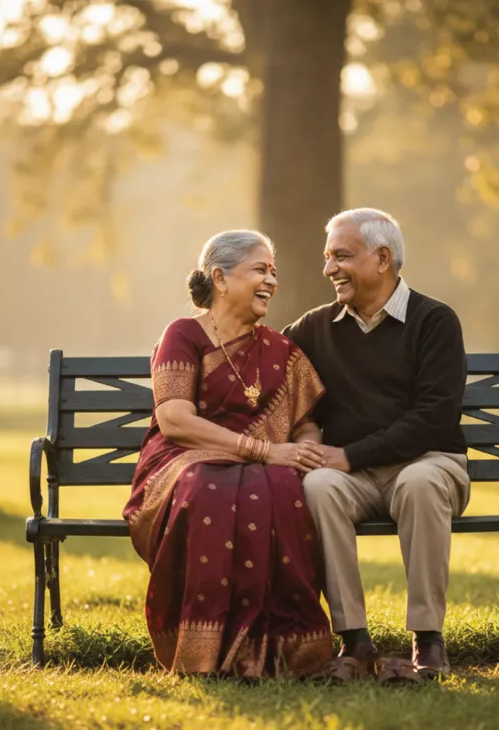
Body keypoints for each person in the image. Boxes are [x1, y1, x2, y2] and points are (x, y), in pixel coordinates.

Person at [123, 230, 334, 678]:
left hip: (261, 464)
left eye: (273, 272)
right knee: (209, 489)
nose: (271, 281)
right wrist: (263, 450)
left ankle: (288, 650)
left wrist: (307, 448)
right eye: (260, 269)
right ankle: (203, 649)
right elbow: (175, 420)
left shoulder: (282, 350)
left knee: (281, 485)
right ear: (219, 278)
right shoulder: (183, 335)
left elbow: (305, 424)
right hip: (184, 458)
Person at [283, 208, 470, 683]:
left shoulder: (435, 321)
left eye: (341, 256)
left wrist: (349, 454)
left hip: (430, 462)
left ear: (383, 258)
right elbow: (265, 362)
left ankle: (427, 638)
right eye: (327, 258)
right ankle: (354, 640)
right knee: (319, 485)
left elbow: (434, 418)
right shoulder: (315, 327)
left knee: (421, 482)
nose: (329, 269)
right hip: (355, 478)